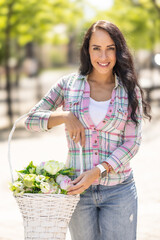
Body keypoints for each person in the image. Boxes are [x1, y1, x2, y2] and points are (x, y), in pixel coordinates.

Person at [25, 20, 151, 240]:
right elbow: (30, 120)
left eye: (110, 48)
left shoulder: (129, 91)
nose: (104, 57)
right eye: (97, 48)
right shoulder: (68, 85)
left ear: (118, 51)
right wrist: (64, 116)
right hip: (77, 193)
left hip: (118, 190)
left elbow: (133, 143)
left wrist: (99, 170)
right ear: (87, 50)